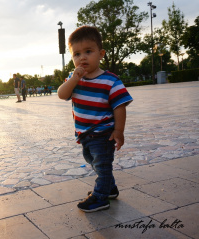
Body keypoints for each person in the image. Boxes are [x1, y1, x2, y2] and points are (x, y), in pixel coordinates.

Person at [57, 26, 133, 213]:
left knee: (102, 165)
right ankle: (110, 188)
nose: (82, 58)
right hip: (84, 133)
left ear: (101, 54)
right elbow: (61, 94)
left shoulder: (110, 81)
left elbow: (120, 106)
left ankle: (100, 197)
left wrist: (119, 131)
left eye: (88, 52)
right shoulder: (74, 79)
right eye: (76, 54)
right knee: (93, 161)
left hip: (102, 133)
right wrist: (73, 79)